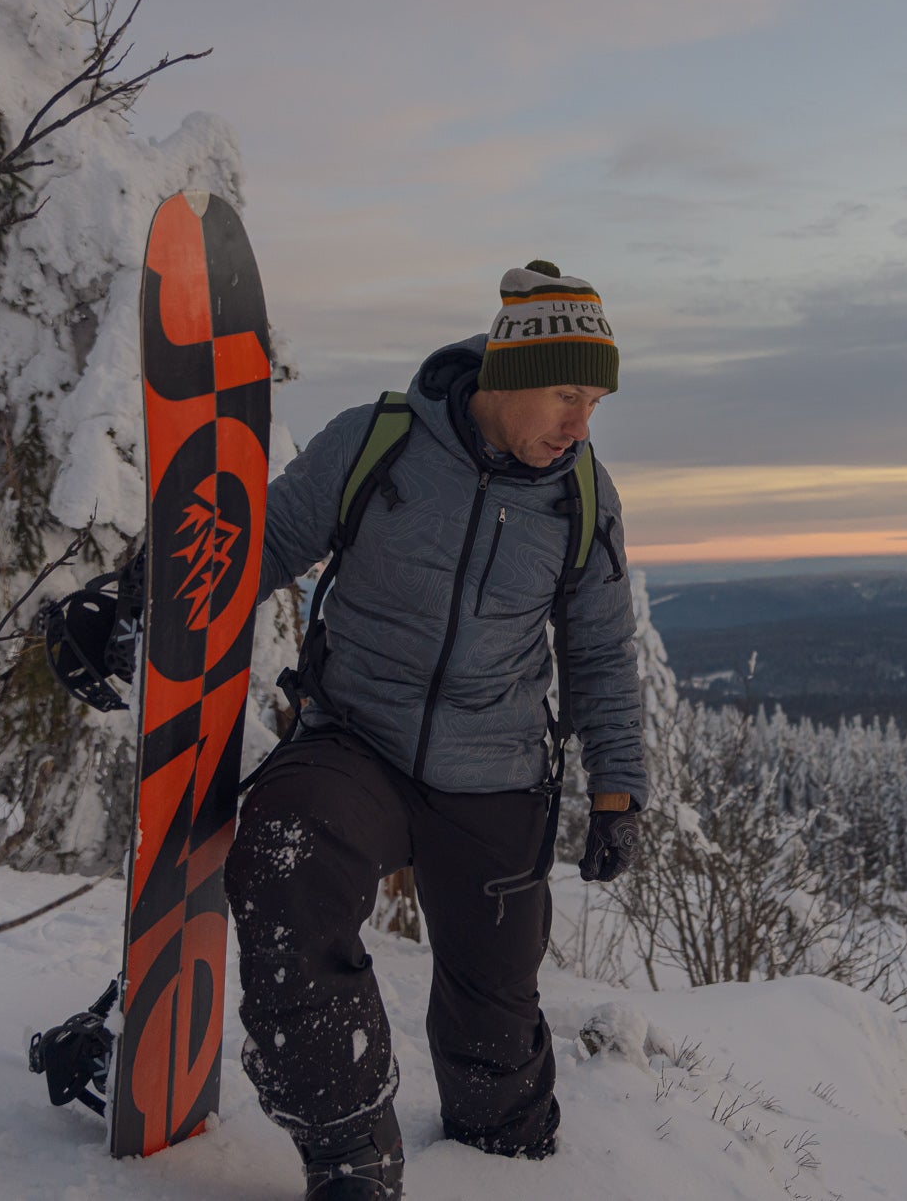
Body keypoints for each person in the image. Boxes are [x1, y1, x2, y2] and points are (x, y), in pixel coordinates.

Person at [222, 261, 647, 1201]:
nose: (580, 425)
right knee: (284, 864)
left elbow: (604, 654)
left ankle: (507, 1171)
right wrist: (137, 604)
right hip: (353, 739)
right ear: (506, 373)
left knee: (494, 1028)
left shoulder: (582, 496)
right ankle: (348, 1153)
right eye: (567, 394)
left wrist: (617, 791)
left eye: (596, 402)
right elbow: (261, 544)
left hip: (493, 773)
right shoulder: (378, 444)